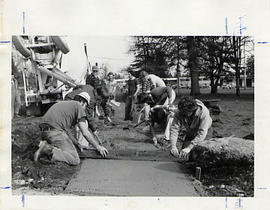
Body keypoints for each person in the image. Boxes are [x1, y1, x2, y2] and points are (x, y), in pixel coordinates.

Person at [34, 92, 108, 165]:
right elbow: (85, 133)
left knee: (66, 149)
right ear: (83, 102)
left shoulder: (66, 105)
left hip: (45, 132)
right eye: (86, 106)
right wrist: (98, 147)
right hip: (55, 132)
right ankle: (47, 149)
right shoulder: (78, 106)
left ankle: (44, 147)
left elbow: (67, 131)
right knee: (75, 160)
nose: (85, 109)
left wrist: (77, 144)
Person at [170, 96, 212, 161]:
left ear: (192, 109)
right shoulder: (179, 111)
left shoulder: (203, 112)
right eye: (181, 112)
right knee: (184, 155)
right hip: (191, 131)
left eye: (184, 113)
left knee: (202, 155)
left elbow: (202, 133)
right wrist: (173, 146)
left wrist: (189, 147)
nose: (182, 114)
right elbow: (174, 129)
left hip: (205, 130)